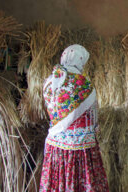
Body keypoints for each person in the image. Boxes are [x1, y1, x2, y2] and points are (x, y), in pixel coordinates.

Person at [39, 44, 109, 192]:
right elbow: (93, 112)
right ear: (80, 59)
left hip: (56, 143)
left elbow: (51, 110)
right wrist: (95, 127)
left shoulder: (50, 80)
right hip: (81, 147)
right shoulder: (84, 83)